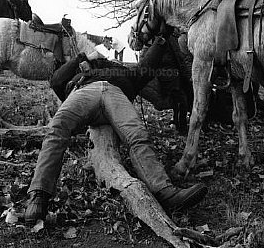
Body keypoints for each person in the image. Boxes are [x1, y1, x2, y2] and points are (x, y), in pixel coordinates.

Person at [25, 34, 208, 225]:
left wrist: (160, 41)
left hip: (115, 94)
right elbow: (56, 81)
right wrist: (82, 58)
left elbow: (145, 70)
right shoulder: (82, 68)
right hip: (84, 90)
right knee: (57, 127)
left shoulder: (123, 71)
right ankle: (38, 195)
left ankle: (165, 192)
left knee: (137, 135)